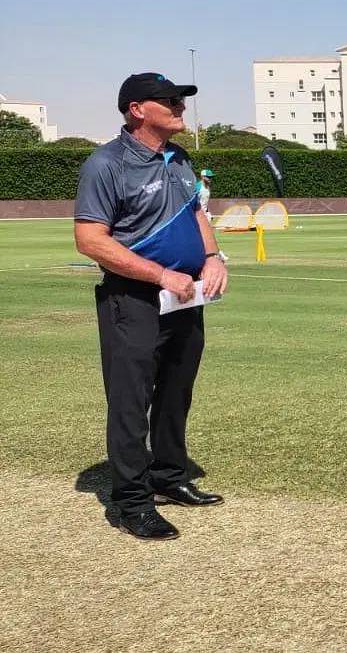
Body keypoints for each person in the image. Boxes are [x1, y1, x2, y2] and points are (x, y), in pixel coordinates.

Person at [73, 73, 230, 540]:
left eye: (180, 99)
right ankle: (132, 501)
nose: (180, 106)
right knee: (130, 401)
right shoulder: (106, 164)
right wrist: (162, 274)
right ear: (137, 109)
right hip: (133, 300)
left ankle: (168, 476)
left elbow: (196, 213)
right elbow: (89, 240)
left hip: (185, 299)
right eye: (169, 100)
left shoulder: (178, 157)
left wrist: (212, 257)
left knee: (175, 392)